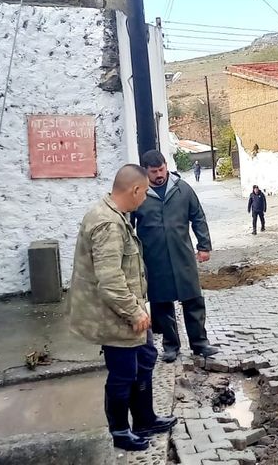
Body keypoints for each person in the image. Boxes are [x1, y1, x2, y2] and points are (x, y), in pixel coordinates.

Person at [69, 164, 178, 451]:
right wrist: (135, 312)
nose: (144, 201)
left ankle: (144, 419)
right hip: (114, 315)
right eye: (144, 195)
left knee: (145, 358)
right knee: (123, 373)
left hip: (128, 310)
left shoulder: (114, 215)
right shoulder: (108, 224)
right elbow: (110, 281)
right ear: (136, 190)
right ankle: (120, 431)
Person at [133, 150, 219, 363]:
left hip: (183, 256)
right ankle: (171, 346)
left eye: (161, 169)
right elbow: (127, 226)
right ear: (145, 171)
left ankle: (200, 343)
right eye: (154, 172)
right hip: (154, 259)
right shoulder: (138, 195)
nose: (159, 174)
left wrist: (204, 246)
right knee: (162, 305)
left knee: (193, 300)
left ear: (165, 165)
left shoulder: (182, 190)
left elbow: (198, 217)